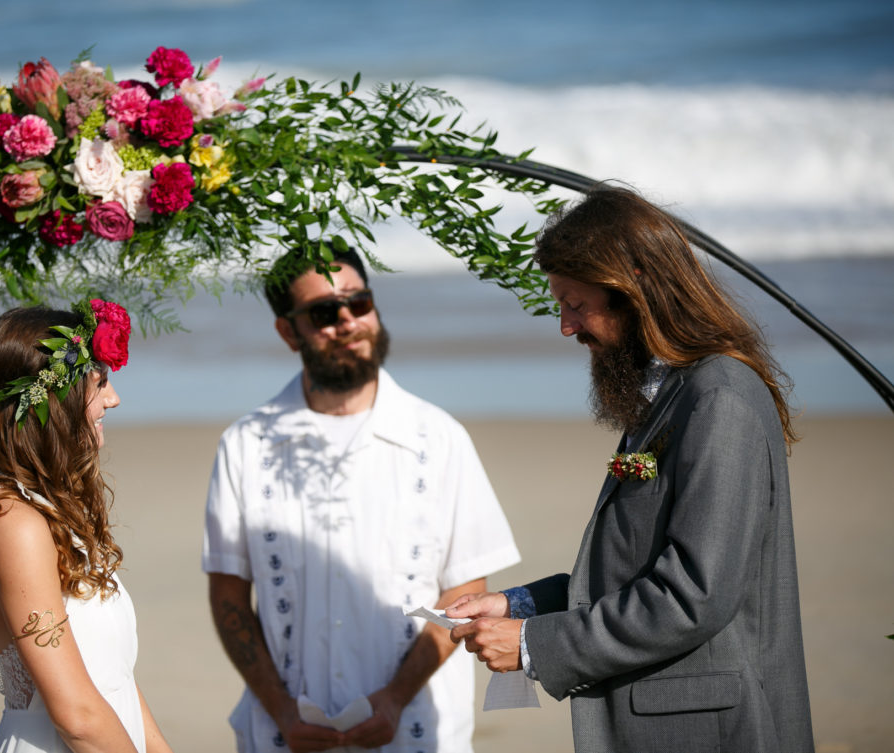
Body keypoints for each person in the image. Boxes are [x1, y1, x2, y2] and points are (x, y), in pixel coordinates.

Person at [447, 186, 815, 753]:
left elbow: (693, 595)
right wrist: (517, 604)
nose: (567, 327)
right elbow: (635, 571)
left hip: (707, 731)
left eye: (576, 303)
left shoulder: (720, 399)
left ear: (634, 286)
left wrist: (533, 643)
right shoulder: (671, 393)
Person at [202, 246, 521, 752]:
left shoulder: (438, 438)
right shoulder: (247, 444)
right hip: (284, 733)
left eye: (360, 302)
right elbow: (229, 597)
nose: (348, 321)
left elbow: (465, 590)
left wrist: (394, 699)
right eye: (324, 312)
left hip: (416, 732)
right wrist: (283, 711)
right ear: (289, 331)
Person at [0, 302, 173, 753]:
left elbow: (114, 677)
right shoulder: (11, 522)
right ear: (54, 397)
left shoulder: (45, 509)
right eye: (100, 382)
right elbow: (77, 718)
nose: (113, 398)